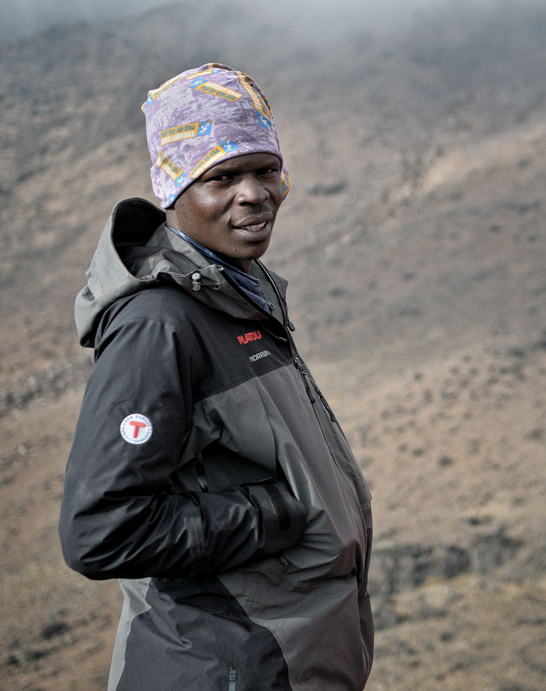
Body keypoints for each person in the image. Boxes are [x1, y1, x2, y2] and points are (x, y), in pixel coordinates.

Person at [59, 63, 373, 690]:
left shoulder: (236, 293)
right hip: (220, 666)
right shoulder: (160, 323)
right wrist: (278, 516)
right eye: (223, 177)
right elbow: (99, 530)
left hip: (279, 656)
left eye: (266, 170)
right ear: (174, 190)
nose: (254, 193)